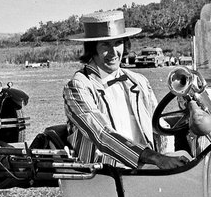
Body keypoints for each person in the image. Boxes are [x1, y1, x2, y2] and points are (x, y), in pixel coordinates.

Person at [64, 10, 190, 170]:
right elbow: (102, 135)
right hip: (104, 175)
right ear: (91, 48)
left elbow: (157, 126)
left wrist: (169, 161)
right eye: (105, 45)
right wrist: (157, 158)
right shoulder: (78, 85)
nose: (113, 52)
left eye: (118, 43)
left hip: (144, 170)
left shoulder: (138, 80)